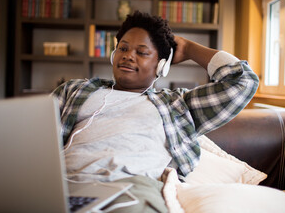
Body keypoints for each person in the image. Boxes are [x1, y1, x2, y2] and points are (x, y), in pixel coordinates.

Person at [52, 11, 259, 212]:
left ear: (161, 66)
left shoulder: (176, 105)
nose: (128, 57)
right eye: (123, 49)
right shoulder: (75, 90)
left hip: (132, 188)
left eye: (141, 52)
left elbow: (243, 81)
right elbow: (35, 137)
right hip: (62, 183)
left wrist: (188, 48)